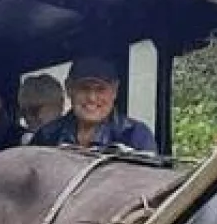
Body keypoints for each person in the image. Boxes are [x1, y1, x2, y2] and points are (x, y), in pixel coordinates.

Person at [29, 55, 157, 152]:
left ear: (114, 91)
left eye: (100, 89)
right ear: (69, 89)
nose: (92, 98)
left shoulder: (136, 136)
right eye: (84, 88)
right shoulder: (46, 137)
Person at [17, 72, 67, 140]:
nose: (29, 118)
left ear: (60, 104)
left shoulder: (73, 135)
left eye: (34, 110)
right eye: (23, 112)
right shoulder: (20, 142)